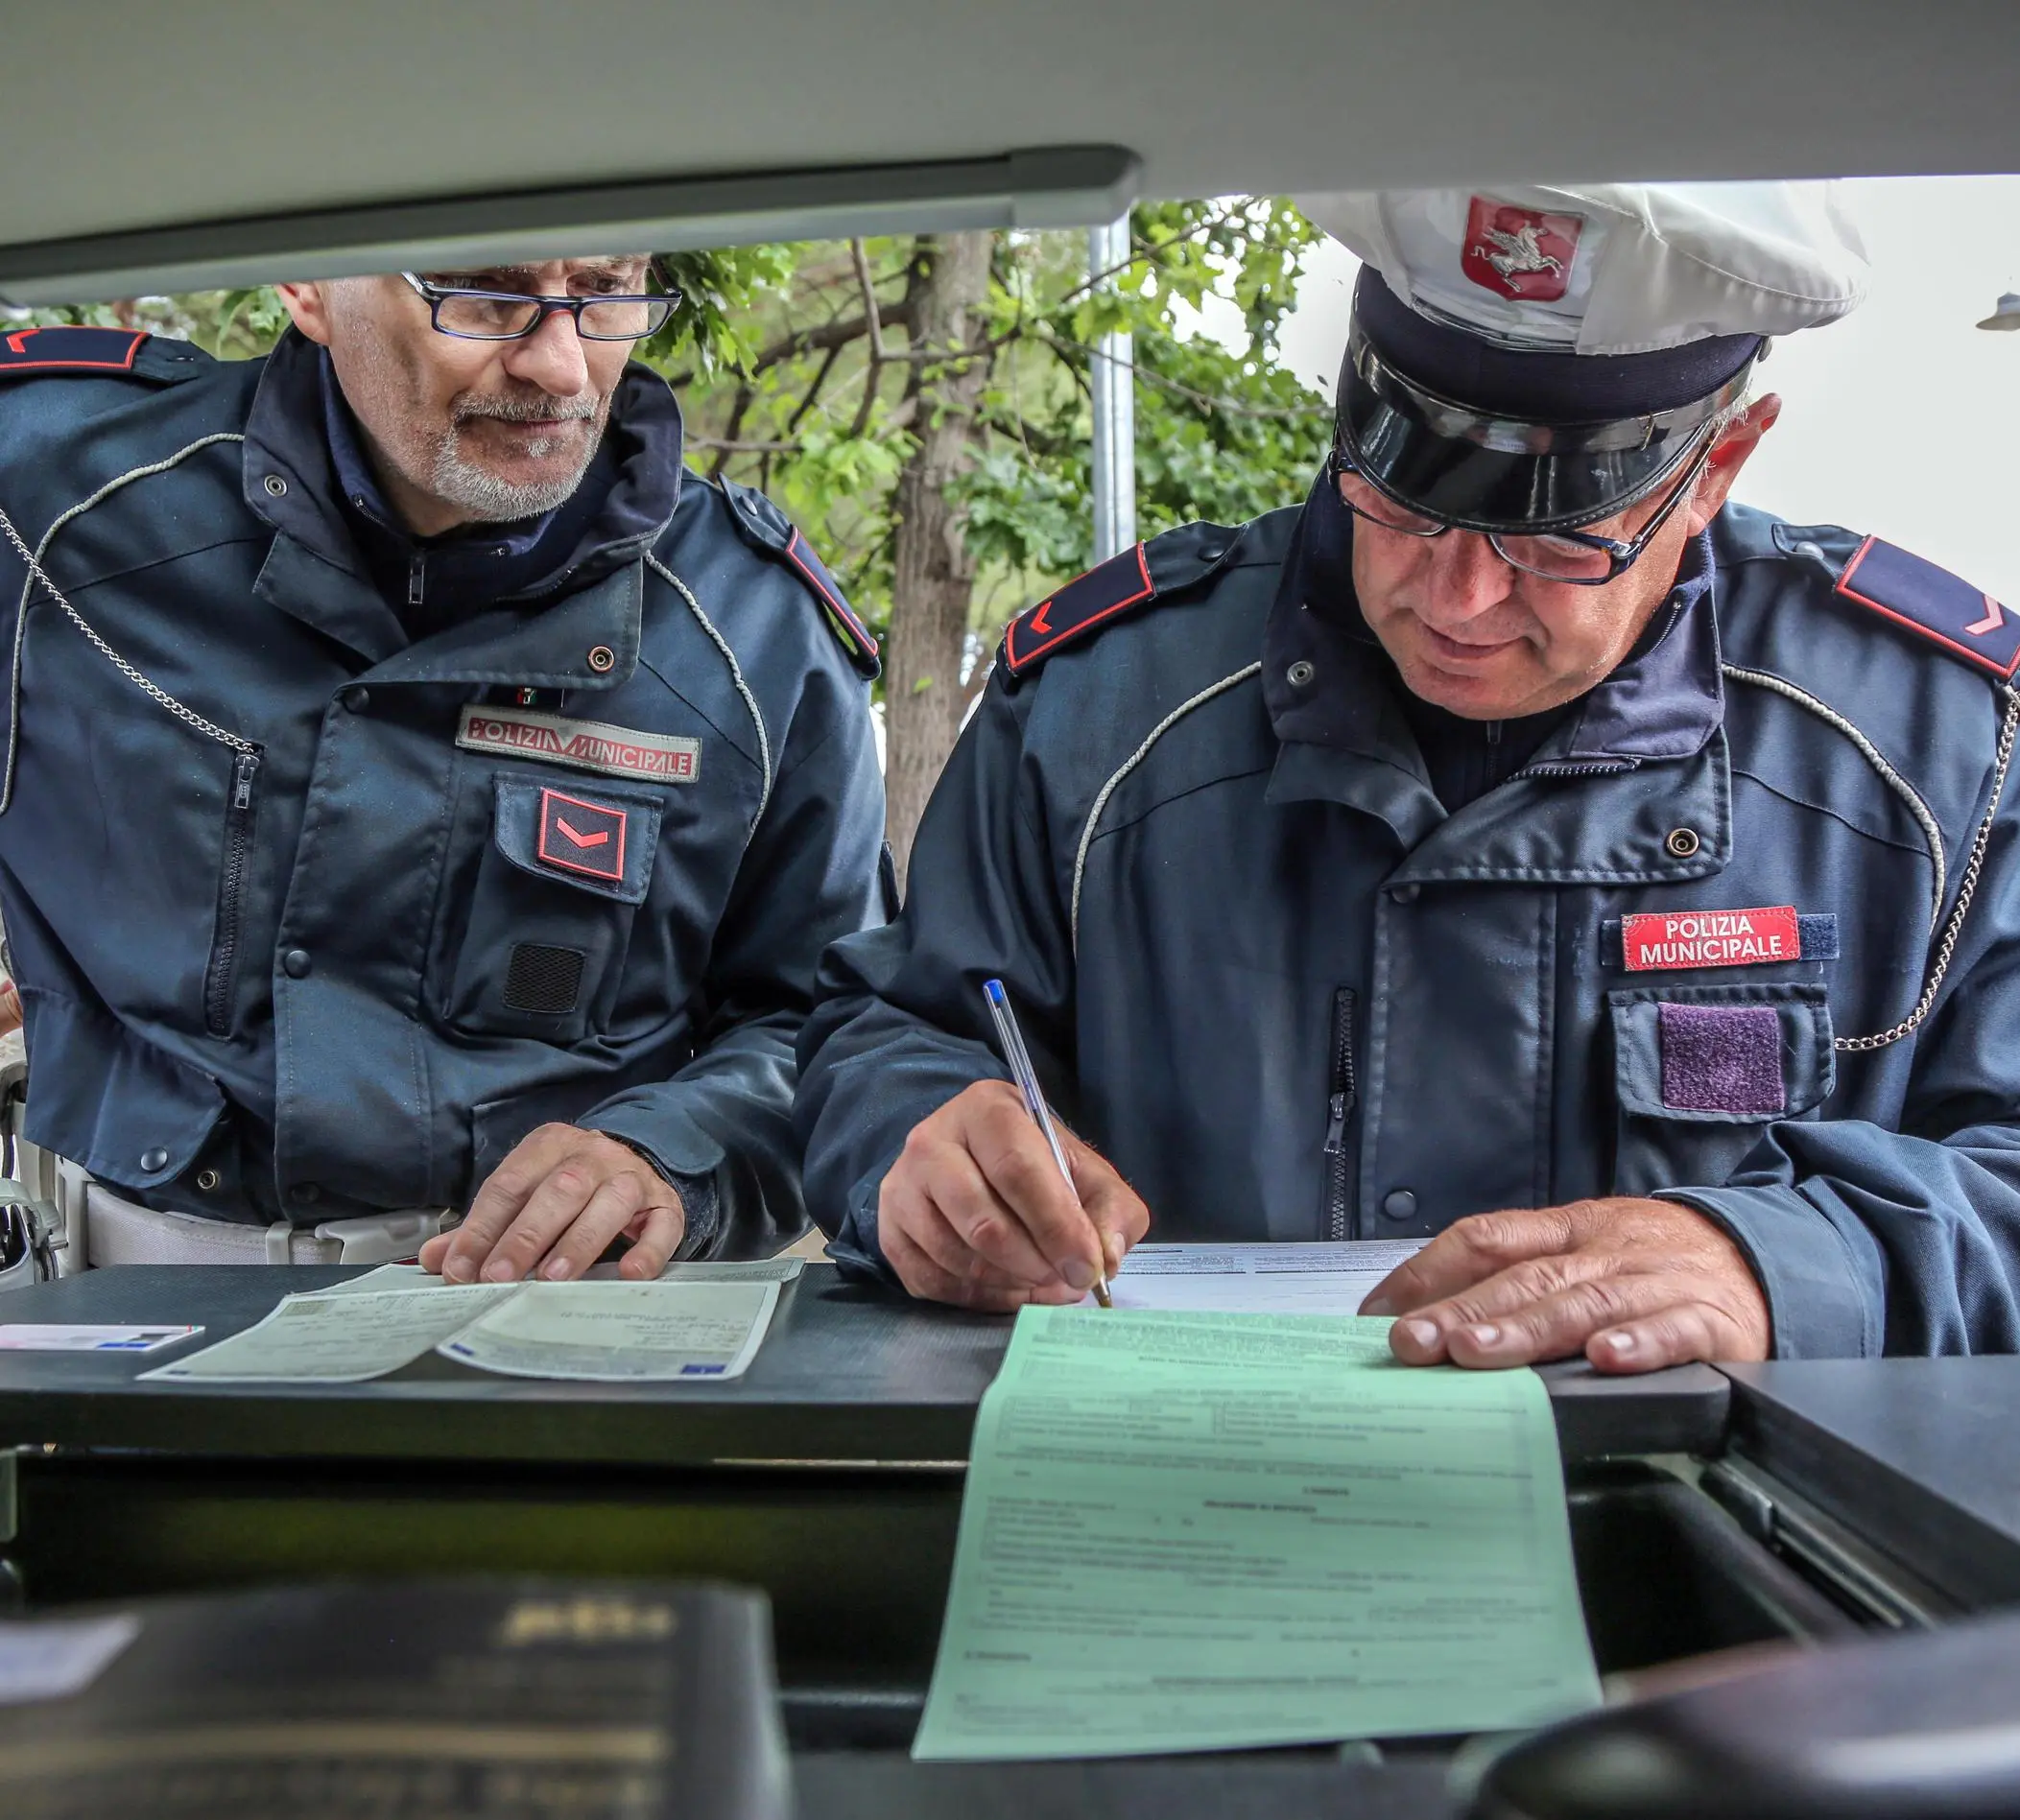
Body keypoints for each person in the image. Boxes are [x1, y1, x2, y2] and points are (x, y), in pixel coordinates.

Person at [797, 181, 2020, 1370]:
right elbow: (896, 1028)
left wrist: (1782, 1261)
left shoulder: (1940, 755)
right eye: (1405, 500)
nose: (1457, 599)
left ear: (1717, 466)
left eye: (1553, 538)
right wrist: (916, 1142)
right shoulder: (1094, 710)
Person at [0, 255, 886, 1279]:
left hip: (555, 1333)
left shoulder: (751, 629)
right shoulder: (52, 498)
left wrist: (668, 1156)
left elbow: (830, 1022)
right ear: (307, 286)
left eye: (605, 289)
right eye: (485, 294)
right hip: (115, 1319)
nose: (561, 366)